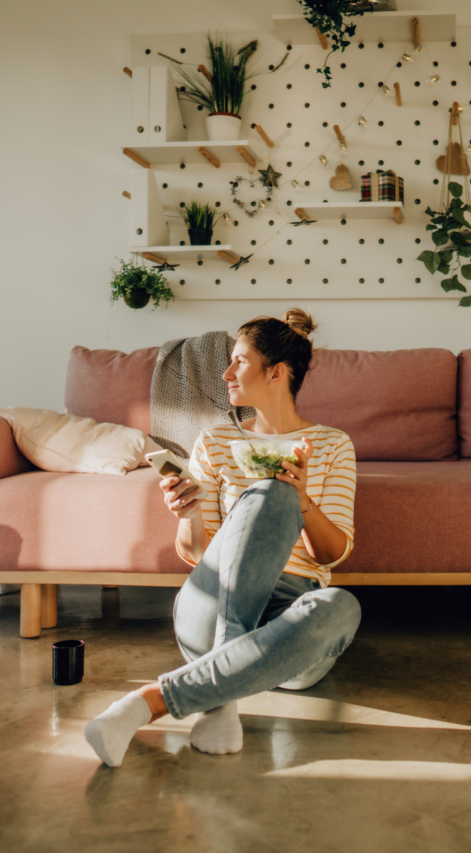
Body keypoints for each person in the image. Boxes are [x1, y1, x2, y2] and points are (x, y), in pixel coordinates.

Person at [85, 308, 361, 767]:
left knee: (341, 607)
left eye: (238, 361)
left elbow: (332, 555)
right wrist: (188, 514)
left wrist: (302, 498)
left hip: (289, 617)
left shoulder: (332, 444)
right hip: (212, 606)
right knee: (268, 494)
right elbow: (198, 556)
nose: (225, 372)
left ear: (275, 373)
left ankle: (161, 700)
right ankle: (221, 682)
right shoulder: (213, 442)